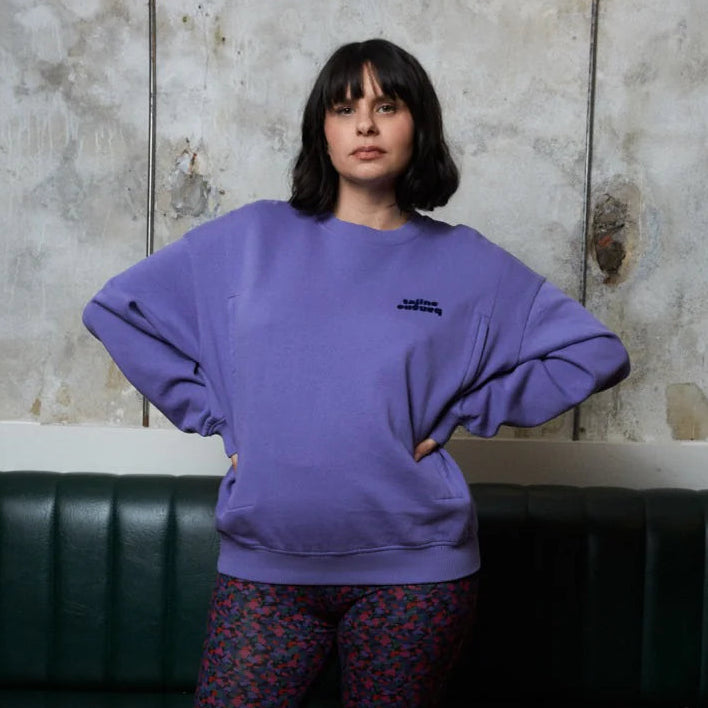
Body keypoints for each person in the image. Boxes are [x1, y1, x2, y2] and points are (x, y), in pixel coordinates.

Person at [83, 39, 630, 708]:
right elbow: (117, 311)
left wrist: (467, 409)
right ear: (323, 130)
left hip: (416, 572)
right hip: (266, 566)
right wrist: (219, 416)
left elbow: (595, 351)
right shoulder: (249, 239)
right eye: (345, 109)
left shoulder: (467, 263)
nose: (365, 125)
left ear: (419, 126)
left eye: (387, 106)